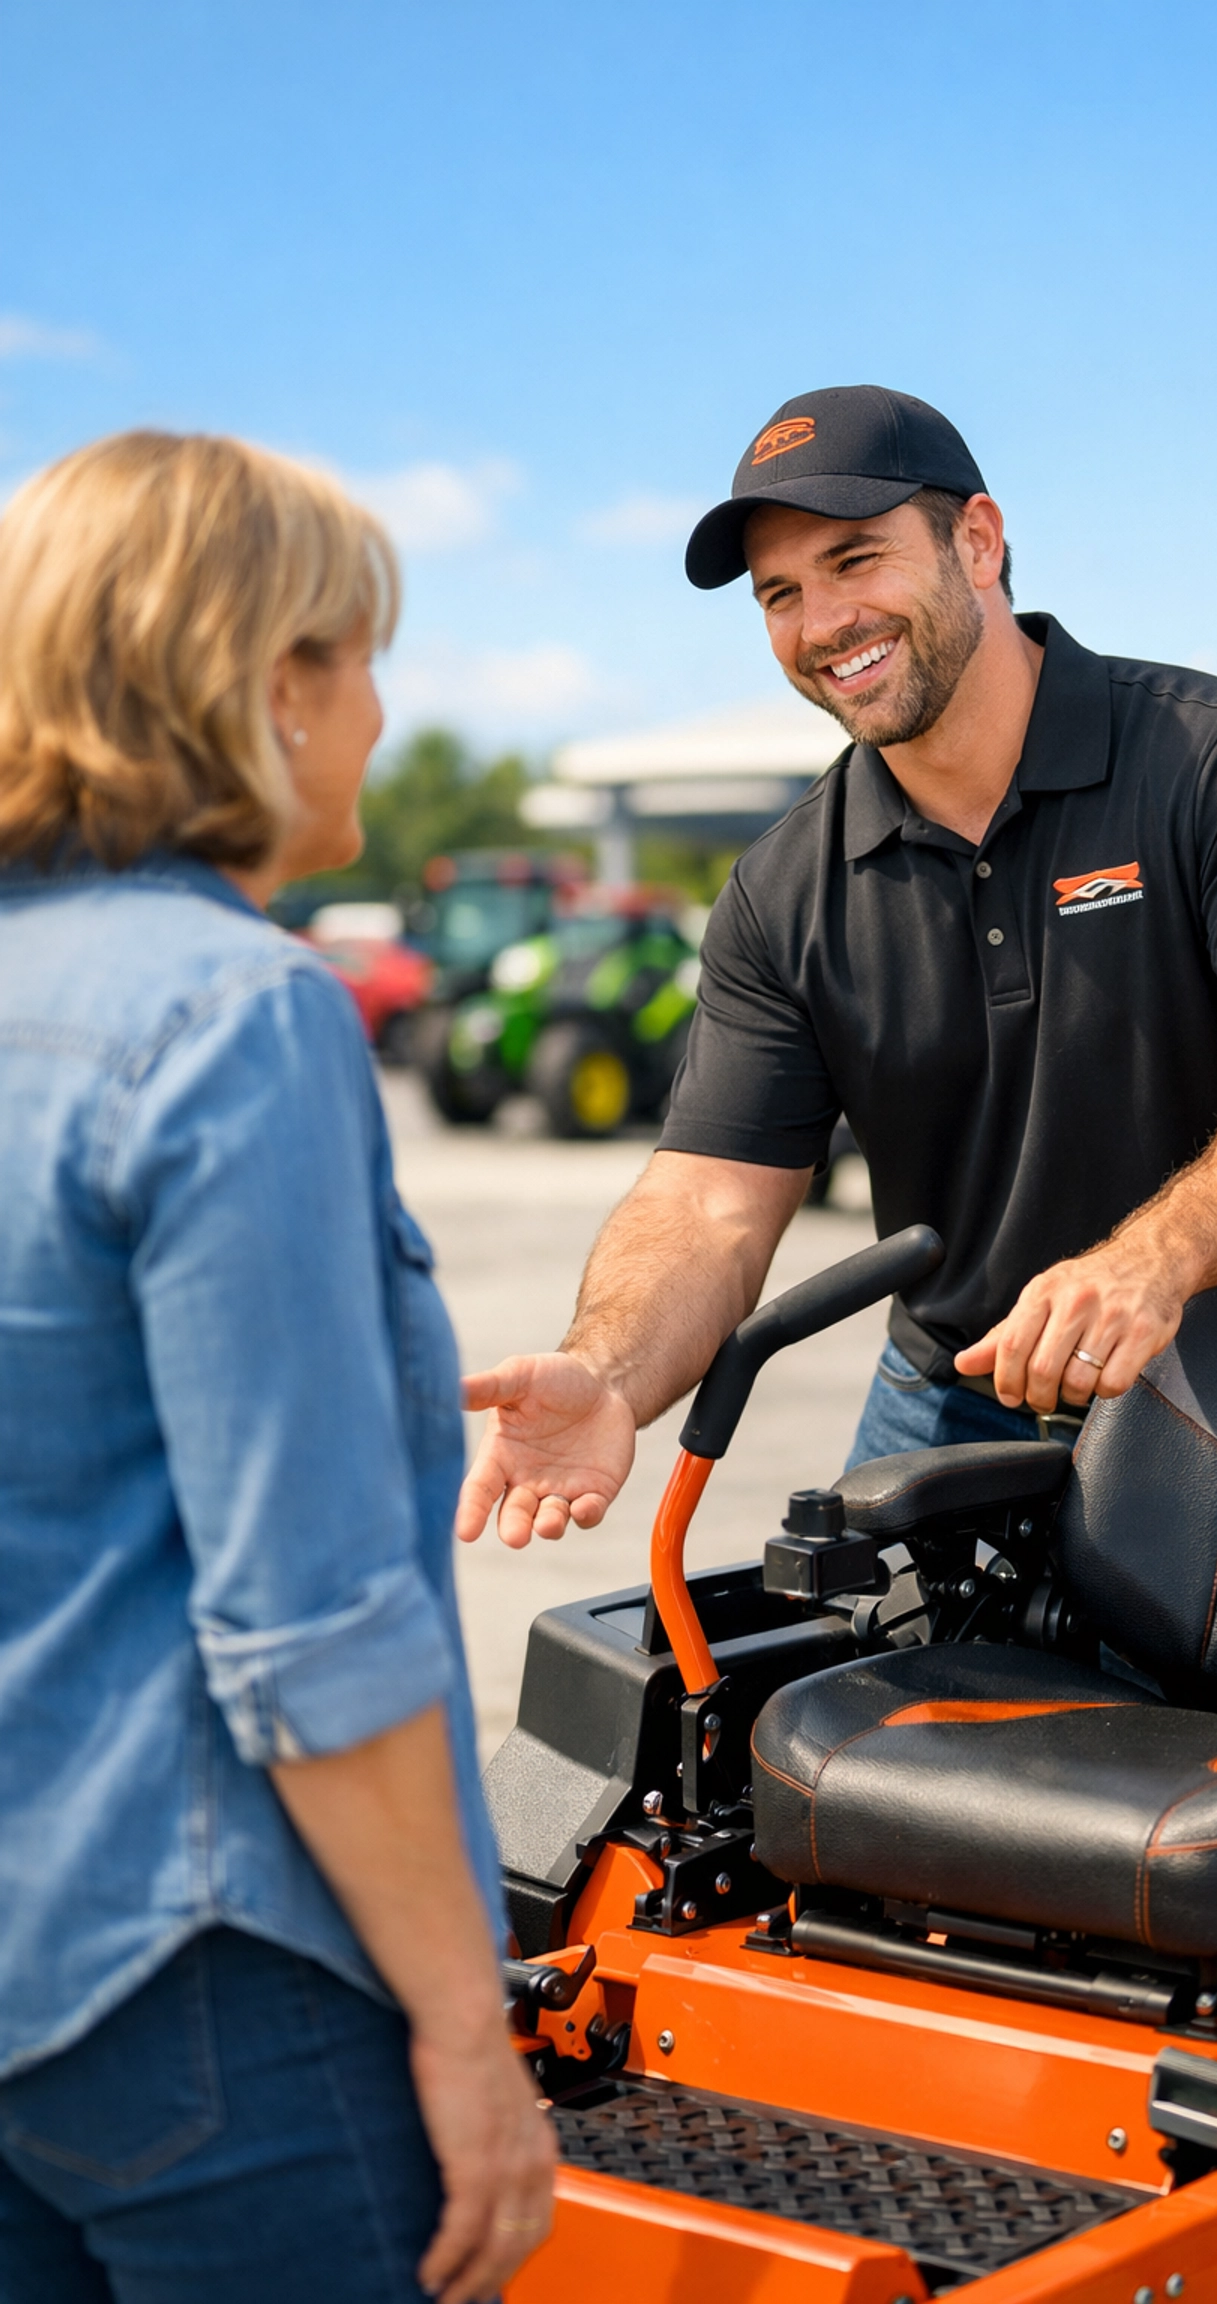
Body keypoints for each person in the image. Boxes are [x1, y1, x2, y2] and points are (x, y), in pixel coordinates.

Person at [456, 383, 1217, 1552]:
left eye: (854, 559)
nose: (822, 622)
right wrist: (607, 1371)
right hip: (956, 1388)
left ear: (978, 540)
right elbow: (710, 1202)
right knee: (812, 1666)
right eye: (780, 594)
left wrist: (1151, 1260)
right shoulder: (784, 890)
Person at [0, 433, 554, 2304]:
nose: (382, 710)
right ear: (264, 680)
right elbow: (311, 1629)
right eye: (362, 655)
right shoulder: (236, 1015)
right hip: (217, 1982)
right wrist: (466, 2024)